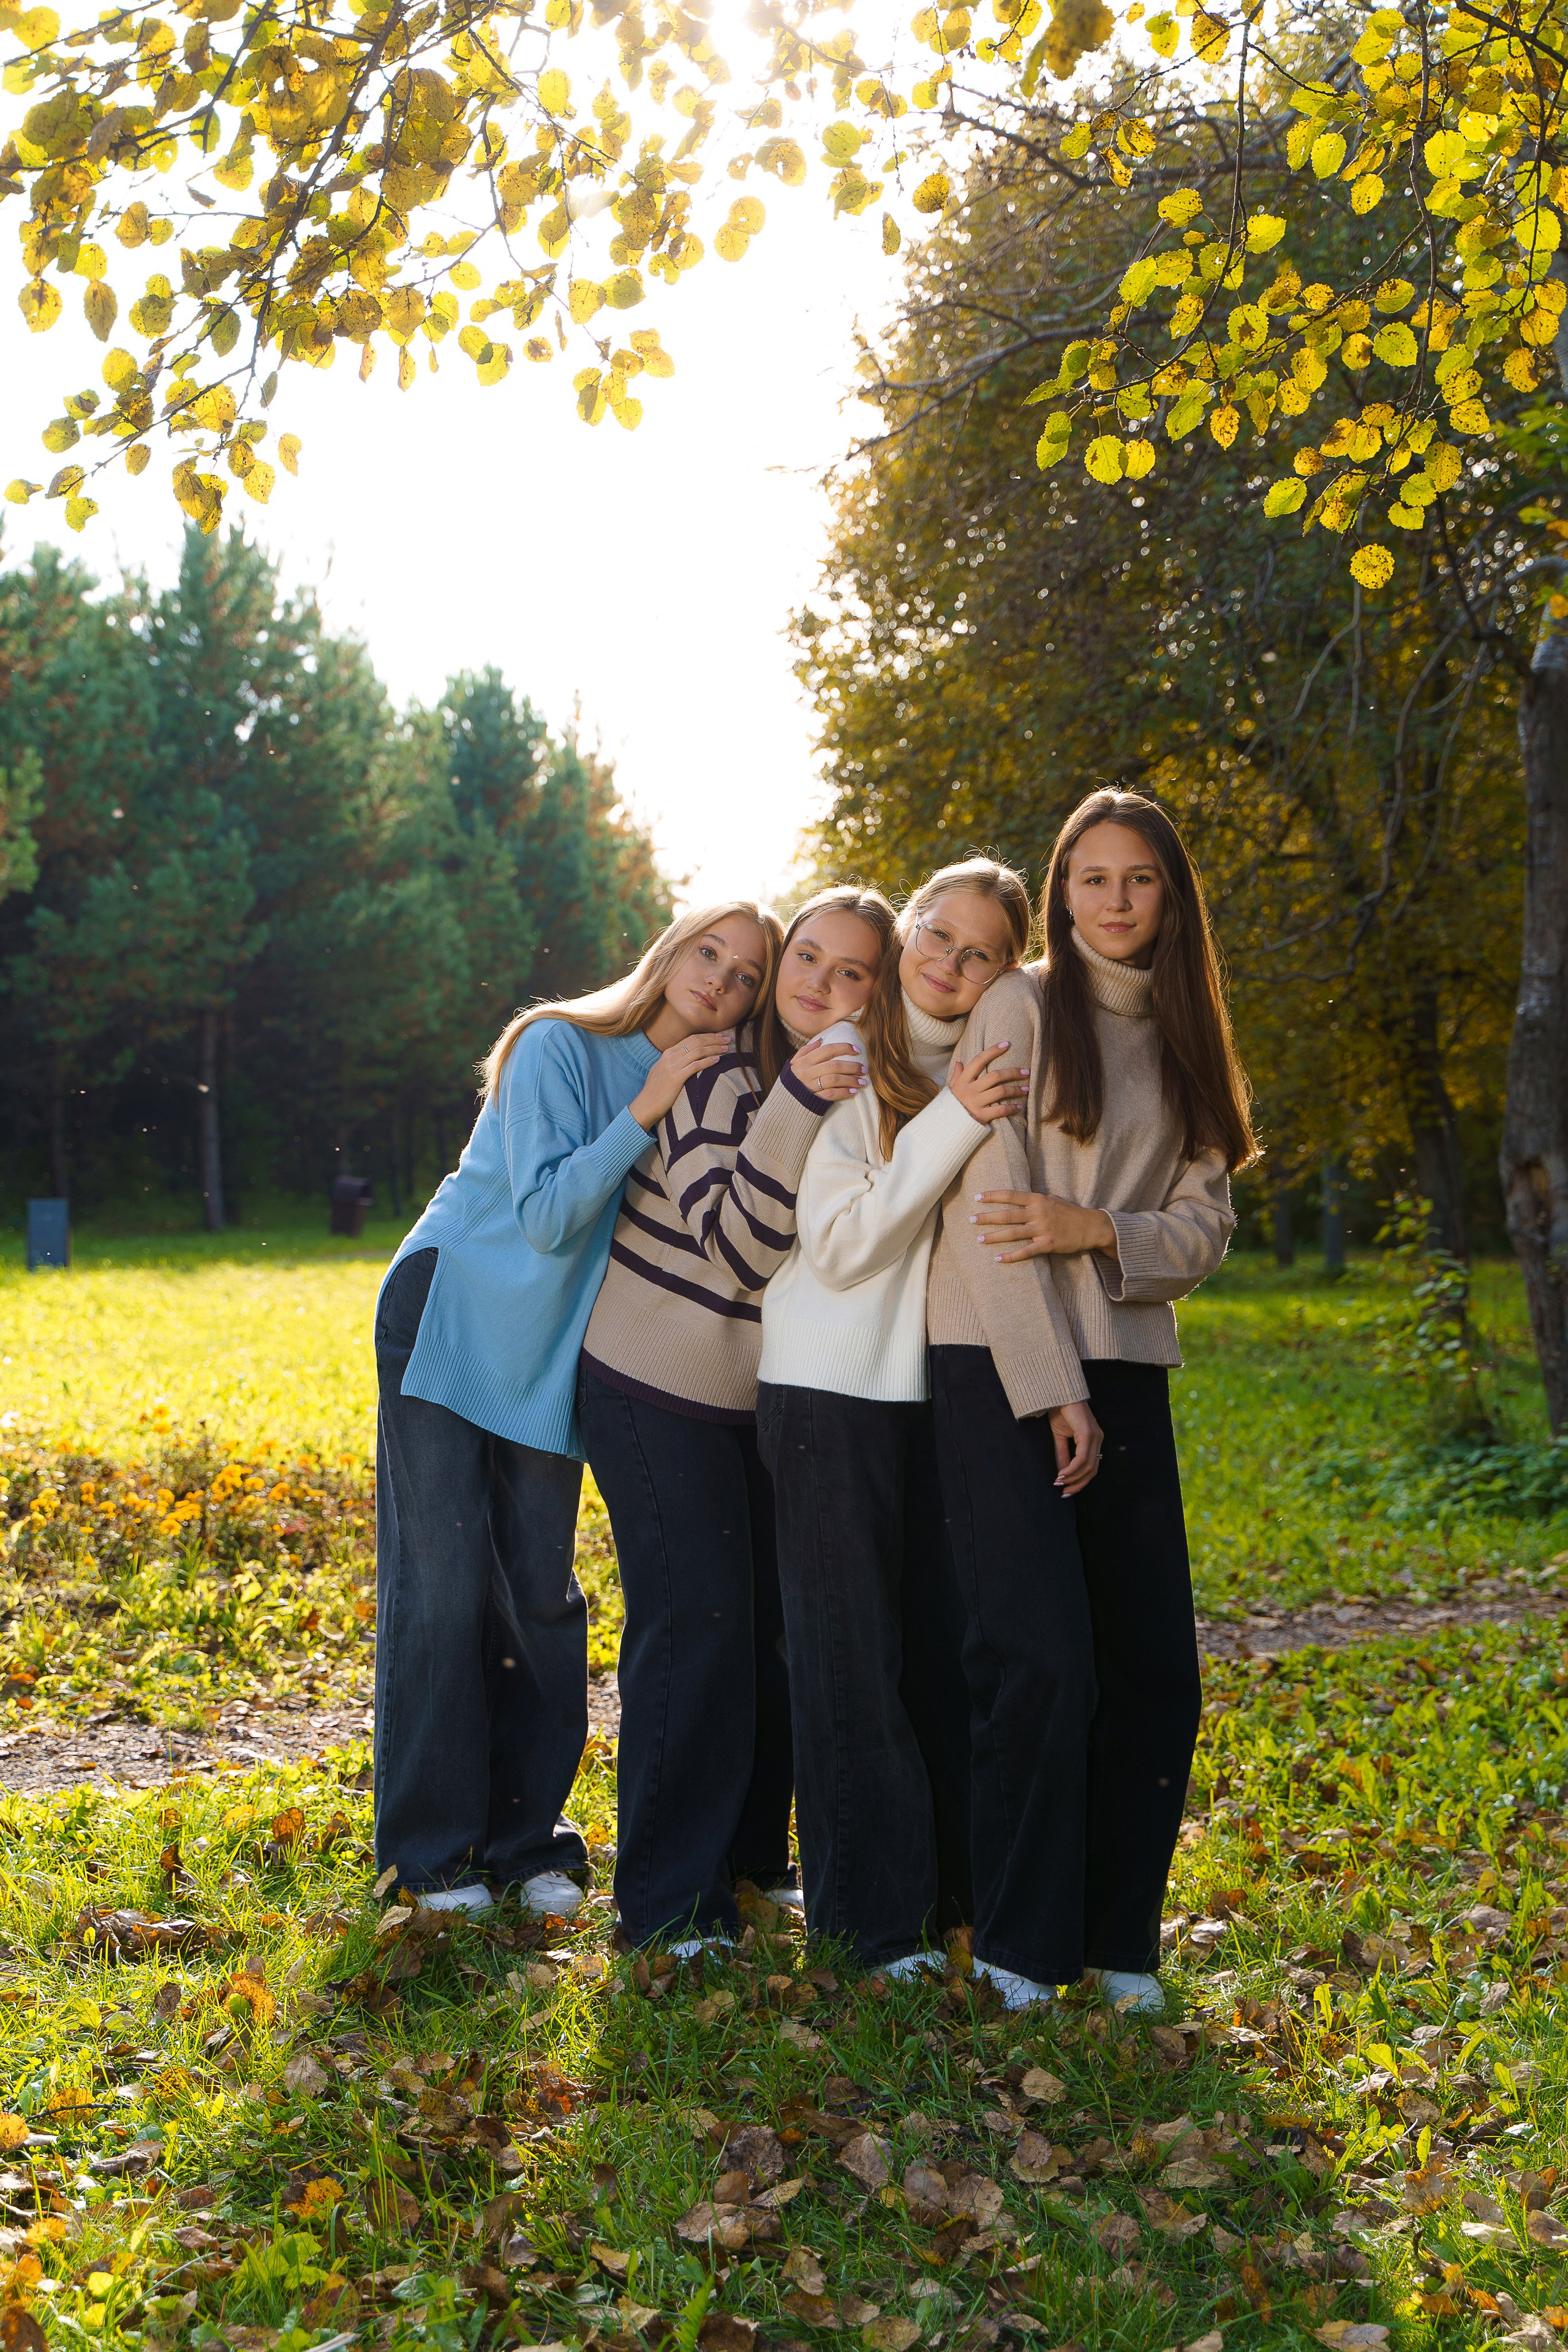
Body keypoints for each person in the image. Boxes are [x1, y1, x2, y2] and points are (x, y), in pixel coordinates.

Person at [372, 904, 778, 1917]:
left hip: (554, 1354)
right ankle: (428, 1857)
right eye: (708, 954)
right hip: (454, 1311)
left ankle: (528, 1844)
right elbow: (550, 1216)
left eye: (744, 977)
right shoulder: (560, 1045)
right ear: (669, 952)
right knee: (444, 1589)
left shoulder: (714, 1088)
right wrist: (641, 1110)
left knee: (540, 1600)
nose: (720, 983)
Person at [928, 790, 1257, 2011]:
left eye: (1138, 880)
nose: (1112, 901)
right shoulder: (1016, 1003)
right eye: (1090, 879)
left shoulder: (1184, 1034)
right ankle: (1017, 1949)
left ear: (1169, 899)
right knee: (1039, 1665)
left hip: (1124, 1368)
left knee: (1153, 1672)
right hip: (1001, 1361)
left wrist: (1096, 1230)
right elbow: (988, 1217)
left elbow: (1202, 1229)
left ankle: (1118, 1946)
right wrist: (1052, 1388)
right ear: (1058, 893)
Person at [756, 859, 1060, 1973]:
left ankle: (939, 1903)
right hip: (825, 1389)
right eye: (934, 932)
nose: (946, 960)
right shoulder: (852, 1067)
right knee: (847, 1664)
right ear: (907, 935)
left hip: (927, 1396)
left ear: (1000, 974)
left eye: (977, 951)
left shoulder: (982, 1068)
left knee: (928, 1659)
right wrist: (947, 1122)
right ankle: (867, 1927)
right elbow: (840, 1247)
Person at [578, 889, 894, 1953]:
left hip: (755, 1397)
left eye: (851, 972)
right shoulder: (718, 1075)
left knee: (767, 1632)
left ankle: (754, 1865)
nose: (820, 984)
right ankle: (667, 1907)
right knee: (698, 1628)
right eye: (805, 959)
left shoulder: (849, 1088)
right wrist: (800, 1098)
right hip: (648, 1382)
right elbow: (736, 1246)